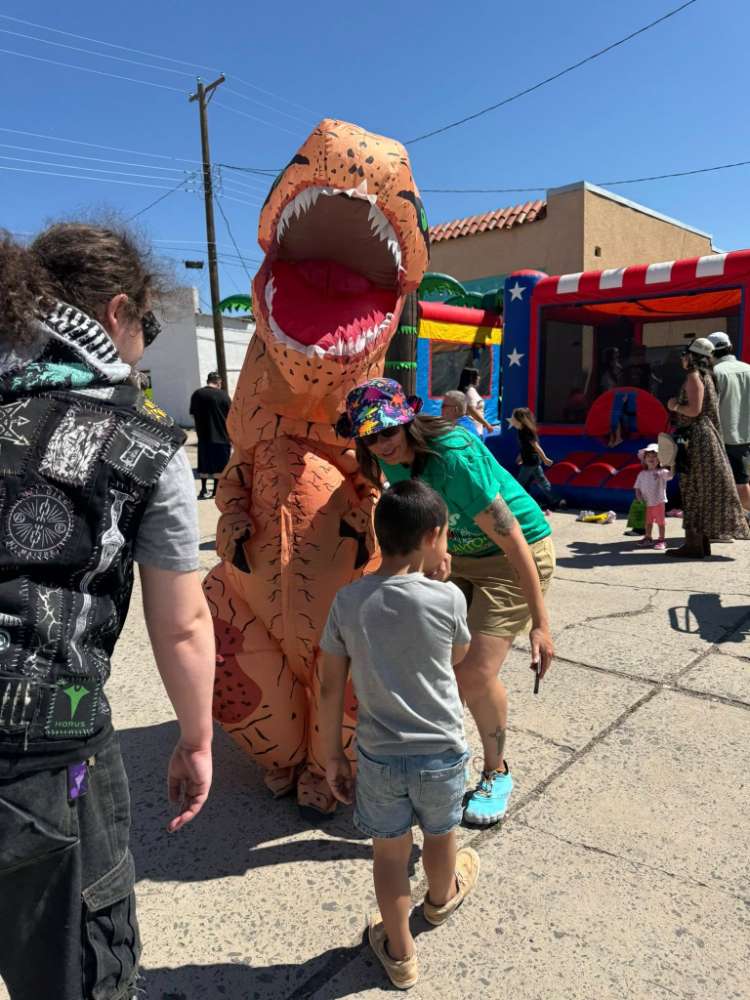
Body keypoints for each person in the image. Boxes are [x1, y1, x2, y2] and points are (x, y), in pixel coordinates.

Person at [0, 224, 215, 1000]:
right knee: (80, 975)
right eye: (146, 325)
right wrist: (196, 739)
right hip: (47, 749)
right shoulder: (142, 441)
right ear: (118, 313)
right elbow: (182, 623)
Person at [337, 378, 555, 826]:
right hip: (460, 556)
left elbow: (513, 536)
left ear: (407, 422)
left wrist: (541, 624)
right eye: (371, 437)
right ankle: (445, 759)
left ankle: (497, 772)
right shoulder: (387, 462)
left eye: (389, 431)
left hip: (515, 558)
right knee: (440, 667)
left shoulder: (452, 457)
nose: (383, 444)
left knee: (473, 673)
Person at [319, 480, 480, 989]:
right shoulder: (449, 598)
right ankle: (440, 899)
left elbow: (329, 686)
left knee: (389, 856)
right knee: (441, 835)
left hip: (380, 757)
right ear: (433, 537)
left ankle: (400, 952)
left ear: (378, 534)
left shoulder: (348, 601)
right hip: (442, 754)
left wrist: (332, 755)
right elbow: (456, 657)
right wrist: (440, 583)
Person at [666, 338, 750, 557]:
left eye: (684, 354)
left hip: (696, 438)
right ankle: (698, 543)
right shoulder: (708, 376)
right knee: (700, 490)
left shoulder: (694, 376)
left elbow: (694, 410)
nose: (682, 359)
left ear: (691, 356)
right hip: (705, 437)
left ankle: (694, 545)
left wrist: (674, 405)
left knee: (692, 490)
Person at [707, 331, 750, 515]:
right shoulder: (748, 368)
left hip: (725, 436)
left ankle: (740, 522)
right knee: (743, 481)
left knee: (734, 483)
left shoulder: (714, 374)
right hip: (746, 434)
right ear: (730, 347)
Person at [510, 407, 562, 513]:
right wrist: (520, 457)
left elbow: (536, 446)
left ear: (520, 419)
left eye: (513, 418)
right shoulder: (521, 431)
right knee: (542, 482)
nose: (512, 420)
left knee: (520, 483)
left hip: (530, 461)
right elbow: (525, 447)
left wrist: (545, 458)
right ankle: (557, 500)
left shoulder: (526, 431)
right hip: (531, 460)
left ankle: (517, 503)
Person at [189, 371, 232, 499]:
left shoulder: (197, 394)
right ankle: (215, 491)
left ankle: (203, 489)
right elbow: (231, 417)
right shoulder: (224, 395)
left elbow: (192, 415)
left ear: (208, 381)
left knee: (204, 465)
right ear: (218, 382)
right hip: (222, 437)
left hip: (204, 437)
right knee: (220, 467)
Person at [634, 444, 673, 550]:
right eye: (648, 456)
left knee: (660, 522)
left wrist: (671, 464)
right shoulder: (642, 474)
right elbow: (637, 488)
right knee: (647, 522)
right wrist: (638, 497)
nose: (651, 458)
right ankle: (648, 537)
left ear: (660, 460)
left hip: (659, 502)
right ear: (644, 460)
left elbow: (670, 475)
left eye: (655, 456)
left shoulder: (662, 472)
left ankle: (661, 540)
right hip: (646, 503)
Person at [457, 366, 494, 435]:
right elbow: (472, 410)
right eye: (477, 376)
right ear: (472, 378)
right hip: (474, 430)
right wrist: (487, 424)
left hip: (470, 429)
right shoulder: (470, 391)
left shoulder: (465, 390)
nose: (479, 378)